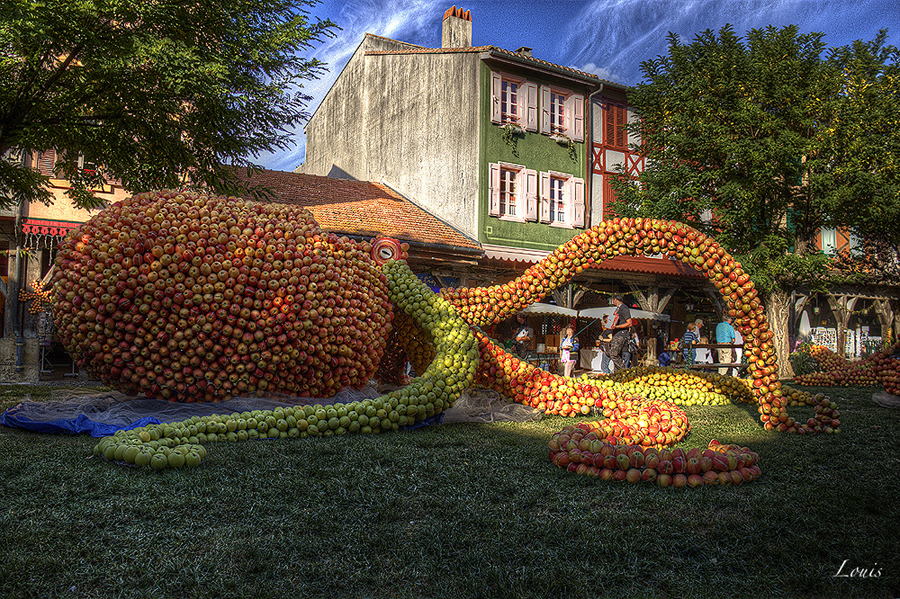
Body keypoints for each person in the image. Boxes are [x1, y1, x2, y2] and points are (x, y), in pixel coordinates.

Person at [606, 294, 632, 372]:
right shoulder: (618, 309)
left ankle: (624, 370)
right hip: (616, 333)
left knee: (613, 354)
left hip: (621, 334)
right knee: (617, 354)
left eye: (612, 300)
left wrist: (617, 327)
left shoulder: (624, 309)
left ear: (615, 300)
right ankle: (618, 374)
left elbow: (629, 323)